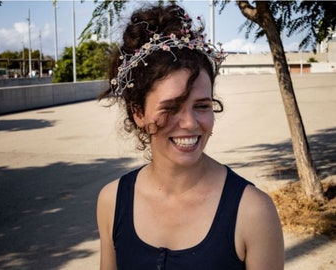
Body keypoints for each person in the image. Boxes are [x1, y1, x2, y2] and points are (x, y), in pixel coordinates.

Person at [97, 3, 284, 270]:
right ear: (138, 112)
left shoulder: (253, 211)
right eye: (171, 107)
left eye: (202, 106)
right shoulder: (112, 202)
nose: (190, 123)